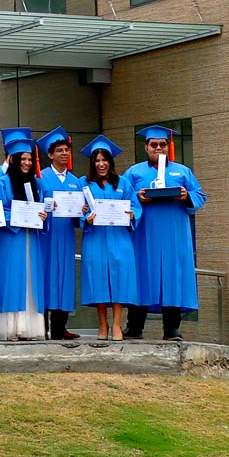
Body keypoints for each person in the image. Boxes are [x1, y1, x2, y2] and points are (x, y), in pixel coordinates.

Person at [122, 125, 207, 341]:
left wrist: (185, 196)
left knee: (173, 277)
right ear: (146, 147)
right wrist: (137, 198)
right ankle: (134, 326)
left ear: (168, 147)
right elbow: (121, 197)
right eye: (154, 145)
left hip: (174, 234)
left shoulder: (182, 171)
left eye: (162, 144)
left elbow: (200, 195)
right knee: (142, 275)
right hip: (144, 234)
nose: (158, 148)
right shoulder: (134, 172)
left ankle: (171, 329)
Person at [0, 129, 46, 341]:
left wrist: (42, 214)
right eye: (23, 159)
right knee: (11, 278)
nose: (27, 163)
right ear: (13, 160)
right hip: (10, 239)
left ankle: (30, 328)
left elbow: (44, 209)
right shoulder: (2, 182)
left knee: (30, 279)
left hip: (31, 238)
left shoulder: (37, 184)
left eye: (30, 159)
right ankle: (11, 328)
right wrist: (18, 216)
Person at [79, 134, 138, 341]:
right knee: (99, 279)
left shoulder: (123, 183)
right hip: (95, 239)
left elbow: (136, 207)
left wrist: (132, 214)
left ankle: (116, 325)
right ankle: (102, 324)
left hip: (119, 239)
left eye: (104, 160)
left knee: (120, 279)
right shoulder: (83, 184)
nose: (101, 164)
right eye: (97, 160)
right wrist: (86, 217)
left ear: (110, 162)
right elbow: (79, 212)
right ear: (92, 163)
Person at [36, 127, 86, 340]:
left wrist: (82, 213)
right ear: (50, 154)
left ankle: (60, 327)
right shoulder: (40, 178)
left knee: (64, 280)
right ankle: (42, 328)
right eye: (59, 150)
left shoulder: (77, 181)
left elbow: (81, 216)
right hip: (46, 236)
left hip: (66, 236)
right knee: (46, 278)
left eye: (66, 150)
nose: (64, 153)